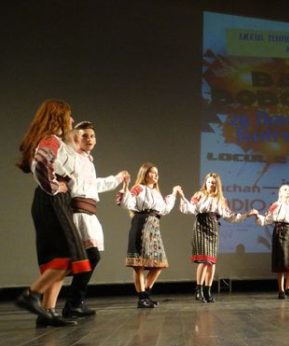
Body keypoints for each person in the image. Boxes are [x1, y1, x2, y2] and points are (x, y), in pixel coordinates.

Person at [14, 99, 90, 327]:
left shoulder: (54, 140)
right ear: (59, 117)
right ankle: (31, 295)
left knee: (59, 258)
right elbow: (40, 163)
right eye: (69, 116)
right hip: (52, 201)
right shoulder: (51, 140)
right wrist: (56, 187)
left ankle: (47, 311)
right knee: (68, 255)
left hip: (53, 201)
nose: (72, 120)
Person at [63, 121, 129, 317]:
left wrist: (117, 179)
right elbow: (76, 183)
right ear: (77, 137)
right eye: (85, 136)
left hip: (88, 212)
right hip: (78, 212)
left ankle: (74, 302)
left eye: (92, 136)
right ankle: (72, 302)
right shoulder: (74, 157)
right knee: (89, 256)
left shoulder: (87, 160)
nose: (89, 139)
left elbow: (93, 185)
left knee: (88, 257)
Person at [178, 173, 254, 303]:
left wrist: (247, 215)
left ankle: (207, 291)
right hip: (201, 226)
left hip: (213, 228)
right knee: (204, 260)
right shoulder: (199, 195)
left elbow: (230, 216)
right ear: (205, 183)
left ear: (217, 184)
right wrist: (182, 197)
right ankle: (199, 290)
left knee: (211, 262)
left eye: (213, 182)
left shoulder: (221, 199)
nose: (211, 184)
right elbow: (189, 208)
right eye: (209, 182)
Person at [118, 162, 181, 308]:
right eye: (152, 172)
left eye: (156, 172)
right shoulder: (139, 188)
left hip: (154, 227)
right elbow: (127, 202)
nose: (155, 175)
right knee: (139, 264)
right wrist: (126, 186)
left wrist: (174, 193)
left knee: (158, 264)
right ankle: (142, 298)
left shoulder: (157, 193)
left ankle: (145, 294)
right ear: (145, 174)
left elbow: (165, 209)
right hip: (141, 224)